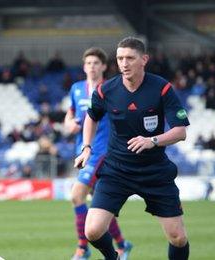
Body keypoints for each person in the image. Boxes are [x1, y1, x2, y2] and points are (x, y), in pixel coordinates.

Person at [74, 37, 190, 260]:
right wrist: (86, 147)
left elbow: (180, 132)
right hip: (116, 170)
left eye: (129, 58)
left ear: (144, 59)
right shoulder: (105, 90)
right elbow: (91, 117)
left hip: (154, 171)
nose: (124, 64)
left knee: (177, 237)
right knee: (93, 230)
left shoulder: (162, 88)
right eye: (119, 59)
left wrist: (152, 141)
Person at [64, 47, 132, 260]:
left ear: (103, 66)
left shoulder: (110, 89)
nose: (92, 67)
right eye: (88, 63)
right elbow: (71, 114)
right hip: (82, 151)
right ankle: (122, 244)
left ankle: (83, 249)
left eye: (96, 63)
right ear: (84, 67)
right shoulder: (76, 88)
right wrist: (69, 125)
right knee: (99, 205)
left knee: (77, 196)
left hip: (102, 151)